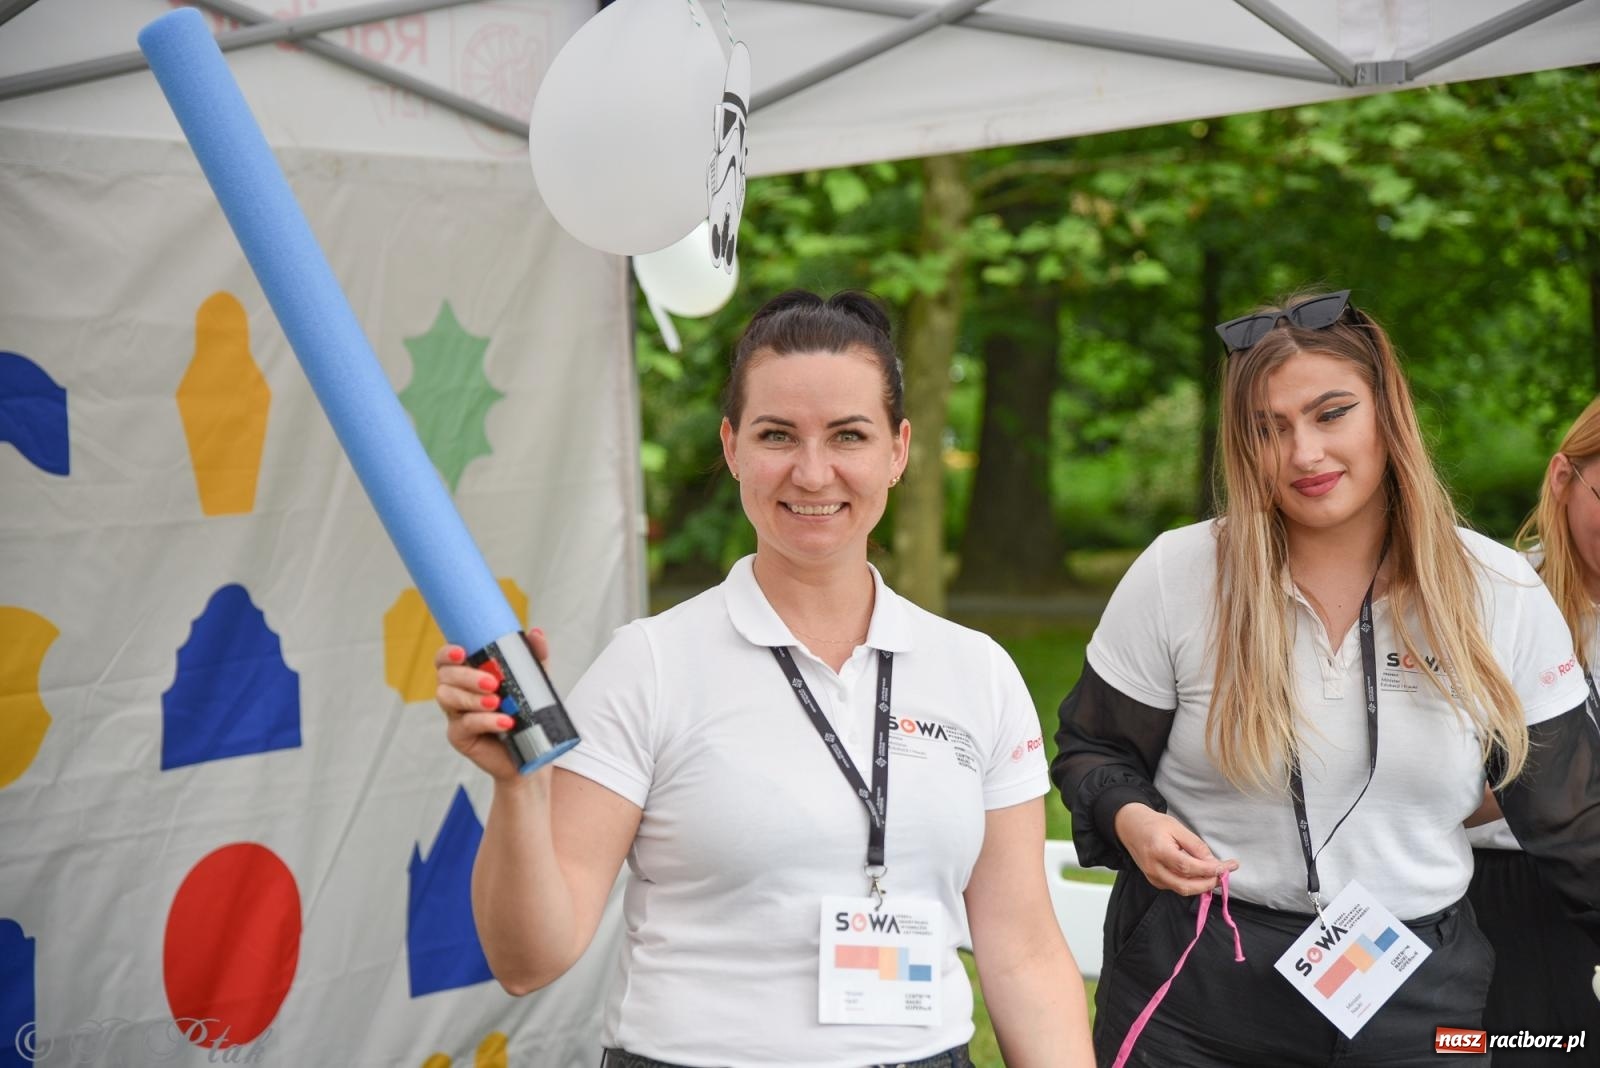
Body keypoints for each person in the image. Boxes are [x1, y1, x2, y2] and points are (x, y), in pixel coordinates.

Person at [435, 290, 1095, 1068]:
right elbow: (528, 959)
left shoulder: (975, 671)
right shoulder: (649, 666)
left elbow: (1021, 951)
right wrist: (518, 790)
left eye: (848, 435)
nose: (812, 473)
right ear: (733, 447)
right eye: (777, 435)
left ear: (898, 449)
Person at [1053, 289, 1600, 1067]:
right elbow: (1091, 753)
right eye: (1267, 429)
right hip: (1203, 974)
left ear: (1388, 413)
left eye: (1331, 413)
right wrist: (1134, 821)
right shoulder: (1179, 574)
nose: (1304, 454)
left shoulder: (1498, 589)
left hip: (1420, 990)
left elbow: (1577, 820)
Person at [1465, 396, 1600, 1064]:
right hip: (1496, 894)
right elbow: (1424, 790)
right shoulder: (1492, 600)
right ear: (1562, 478)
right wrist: (1550, 779)